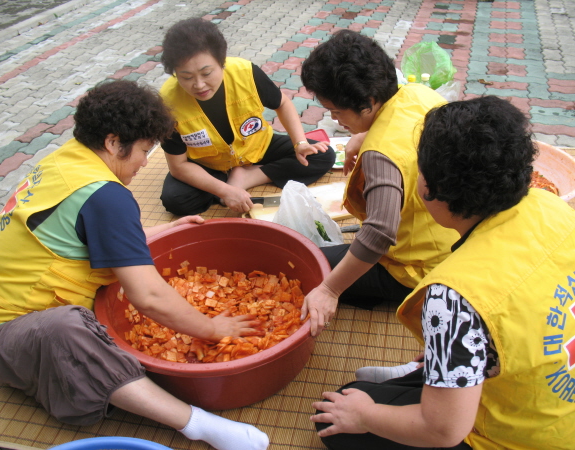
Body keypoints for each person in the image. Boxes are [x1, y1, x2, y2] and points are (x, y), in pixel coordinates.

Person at [0, 80, 269, 450]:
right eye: (144, 150)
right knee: (67, 328)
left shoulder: (66, 159)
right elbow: (147, 296)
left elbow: (83, 232)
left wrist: (164, 228)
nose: (146, 163)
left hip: (10, 300)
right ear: (114, 143)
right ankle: (197, 424)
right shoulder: (105, 196)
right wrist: (212, 328)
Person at [311, 96, 575, 449]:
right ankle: (432, 375)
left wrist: (363, 416)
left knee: (340, 412)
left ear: (430, 190)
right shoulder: (551, 205)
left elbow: (443, 431)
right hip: (554, 401)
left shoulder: (454, 297)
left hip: (517, 436)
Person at [299, 30, 458, 336]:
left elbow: (379, 232)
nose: (335, 119)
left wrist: (330, 290)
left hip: (422, 270)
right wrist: (362, 133)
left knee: (310, 264)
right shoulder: (417, 93)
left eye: (337, 111)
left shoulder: (380, 154)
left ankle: (387, 294)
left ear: (368, 102)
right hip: (453, 241)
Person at [158, 17, 335, 216]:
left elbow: (283, 103)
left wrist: (300, 143)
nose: (198, 85)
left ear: (222, 62)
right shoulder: (166, 102)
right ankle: (228, 184)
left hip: (256, 146)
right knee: (175, 200)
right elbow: (179, 167)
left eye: (206, 73)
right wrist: (225, 191)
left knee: (322, 156)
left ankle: (247, 177)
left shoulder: (246, 73)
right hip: (208, 163)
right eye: (186, 77)